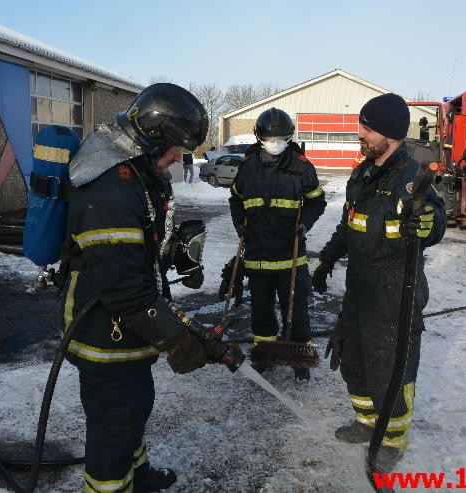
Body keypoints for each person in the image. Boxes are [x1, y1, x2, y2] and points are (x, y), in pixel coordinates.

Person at [62, 83, 213, 493]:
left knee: (134, 408)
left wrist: (176, 251)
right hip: (102, 332)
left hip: (128, 328)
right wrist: (179, 339)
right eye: (176, 149)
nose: (179, 159)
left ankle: (138, 475)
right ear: (151, 137)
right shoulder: (110, 185)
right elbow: (125, 287)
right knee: (113, 428)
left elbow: (140, 251)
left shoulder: (140, 173)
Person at [313, 94, 446, 464]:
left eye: (367, 129)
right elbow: (349, 224)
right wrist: (326, 258)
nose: (360, 135)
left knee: (391, 371)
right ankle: (367, 421)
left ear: (391, 134)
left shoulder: (411, 177)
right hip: (360, 289)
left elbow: (437, 217)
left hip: (394, 294)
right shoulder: (362, 173)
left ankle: (392, 440)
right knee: (352, 359)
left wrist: (428, 224)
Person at [228, 107, 327, 381]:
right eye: (271, 138)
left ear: (289, 137)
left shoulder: (301, 167)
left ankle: (299, 358)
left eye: (282, 138)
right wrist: (240, 225)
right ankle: (267, 354)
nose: (276, 143)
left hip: (290, 257)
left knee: (296, 308)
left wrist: (305, 222)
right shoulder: (247, 167)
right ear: (259, 137)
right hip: (257, 255)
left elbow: (317, 201)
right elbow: (236, 199)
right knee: (261, 309)